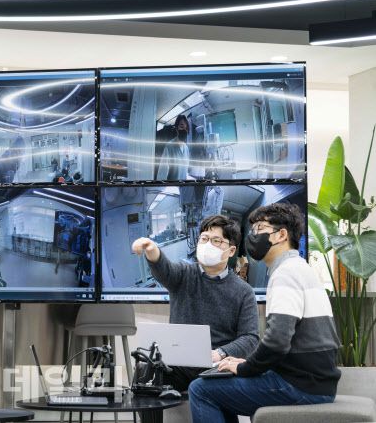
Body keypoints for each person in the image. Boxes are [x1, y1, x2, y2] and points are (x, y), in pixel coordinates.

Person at [188, 203, 340, 423]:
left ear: (281, 235)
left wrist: (245, 367)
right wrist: (245, 363)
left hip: (300, 386)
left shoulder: (285, 273)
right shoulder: (300, 267)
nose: (253, 235)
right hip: (314, 382)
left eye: (259, 228)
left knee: (201, 389)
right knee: (219, 384)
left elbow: (277, 341)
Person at [131, 215, 259, 391]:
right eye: (204, 239)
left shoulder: (244, 292)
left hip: (216, 366)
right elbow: (164, 269)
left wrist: (220, 353)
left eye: (216, 241)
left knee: (210, 388)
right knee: (145, 375)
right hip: (177, 364)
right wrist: (152, 250)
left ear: (231, 251)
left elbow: (250, 338)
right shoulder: (184, 274)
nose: (208, 245)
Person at [157, 114, 190, 181]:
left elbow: (185, 170)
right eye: (182, 126)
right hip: (172, 187)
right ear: (176, 128)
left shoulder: (186, 148)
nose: (184, 130)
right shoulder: (169, 146)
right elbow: (162, 174)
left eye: (186, 128)